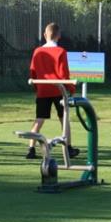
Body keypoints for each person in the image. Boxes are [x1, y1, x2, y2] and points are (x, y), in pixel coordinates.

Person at [26, 22, 79, 160]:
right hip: (58, 90)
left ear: (45, 35)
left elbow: (33, 72)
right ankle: (68, 148)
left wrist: (37, 88)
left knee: (39, 119)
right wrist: (71, 89)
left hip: (43, 89)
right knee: (64, 118)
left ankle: (30, 149)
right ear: (59, 36)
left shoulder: (37, 51)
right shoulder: (61, 51)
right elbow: (64, 74)